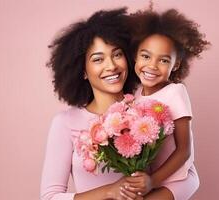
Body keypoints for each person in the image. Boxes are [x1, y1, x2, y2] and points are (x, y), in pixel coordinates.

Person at [40, 8, 142, 200]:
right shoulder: (64, 123)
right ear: (83, 71)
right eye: (98, 59)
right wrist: (109, 191)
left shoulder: (147, 113)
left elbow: (188, 177)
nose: (111, 66)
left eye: (117, 54)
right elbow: (49, 197)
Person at [121, 9, 210, 200]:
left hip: (179, 179)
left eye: (163, 60)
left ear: (176, 65)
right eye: (146, 56)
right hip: (153, 180)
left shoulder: (175, 92)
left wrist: (152, 181)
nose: (152, 66)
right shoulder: (136, 96)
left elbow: (184, 150)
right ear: (135, 56)